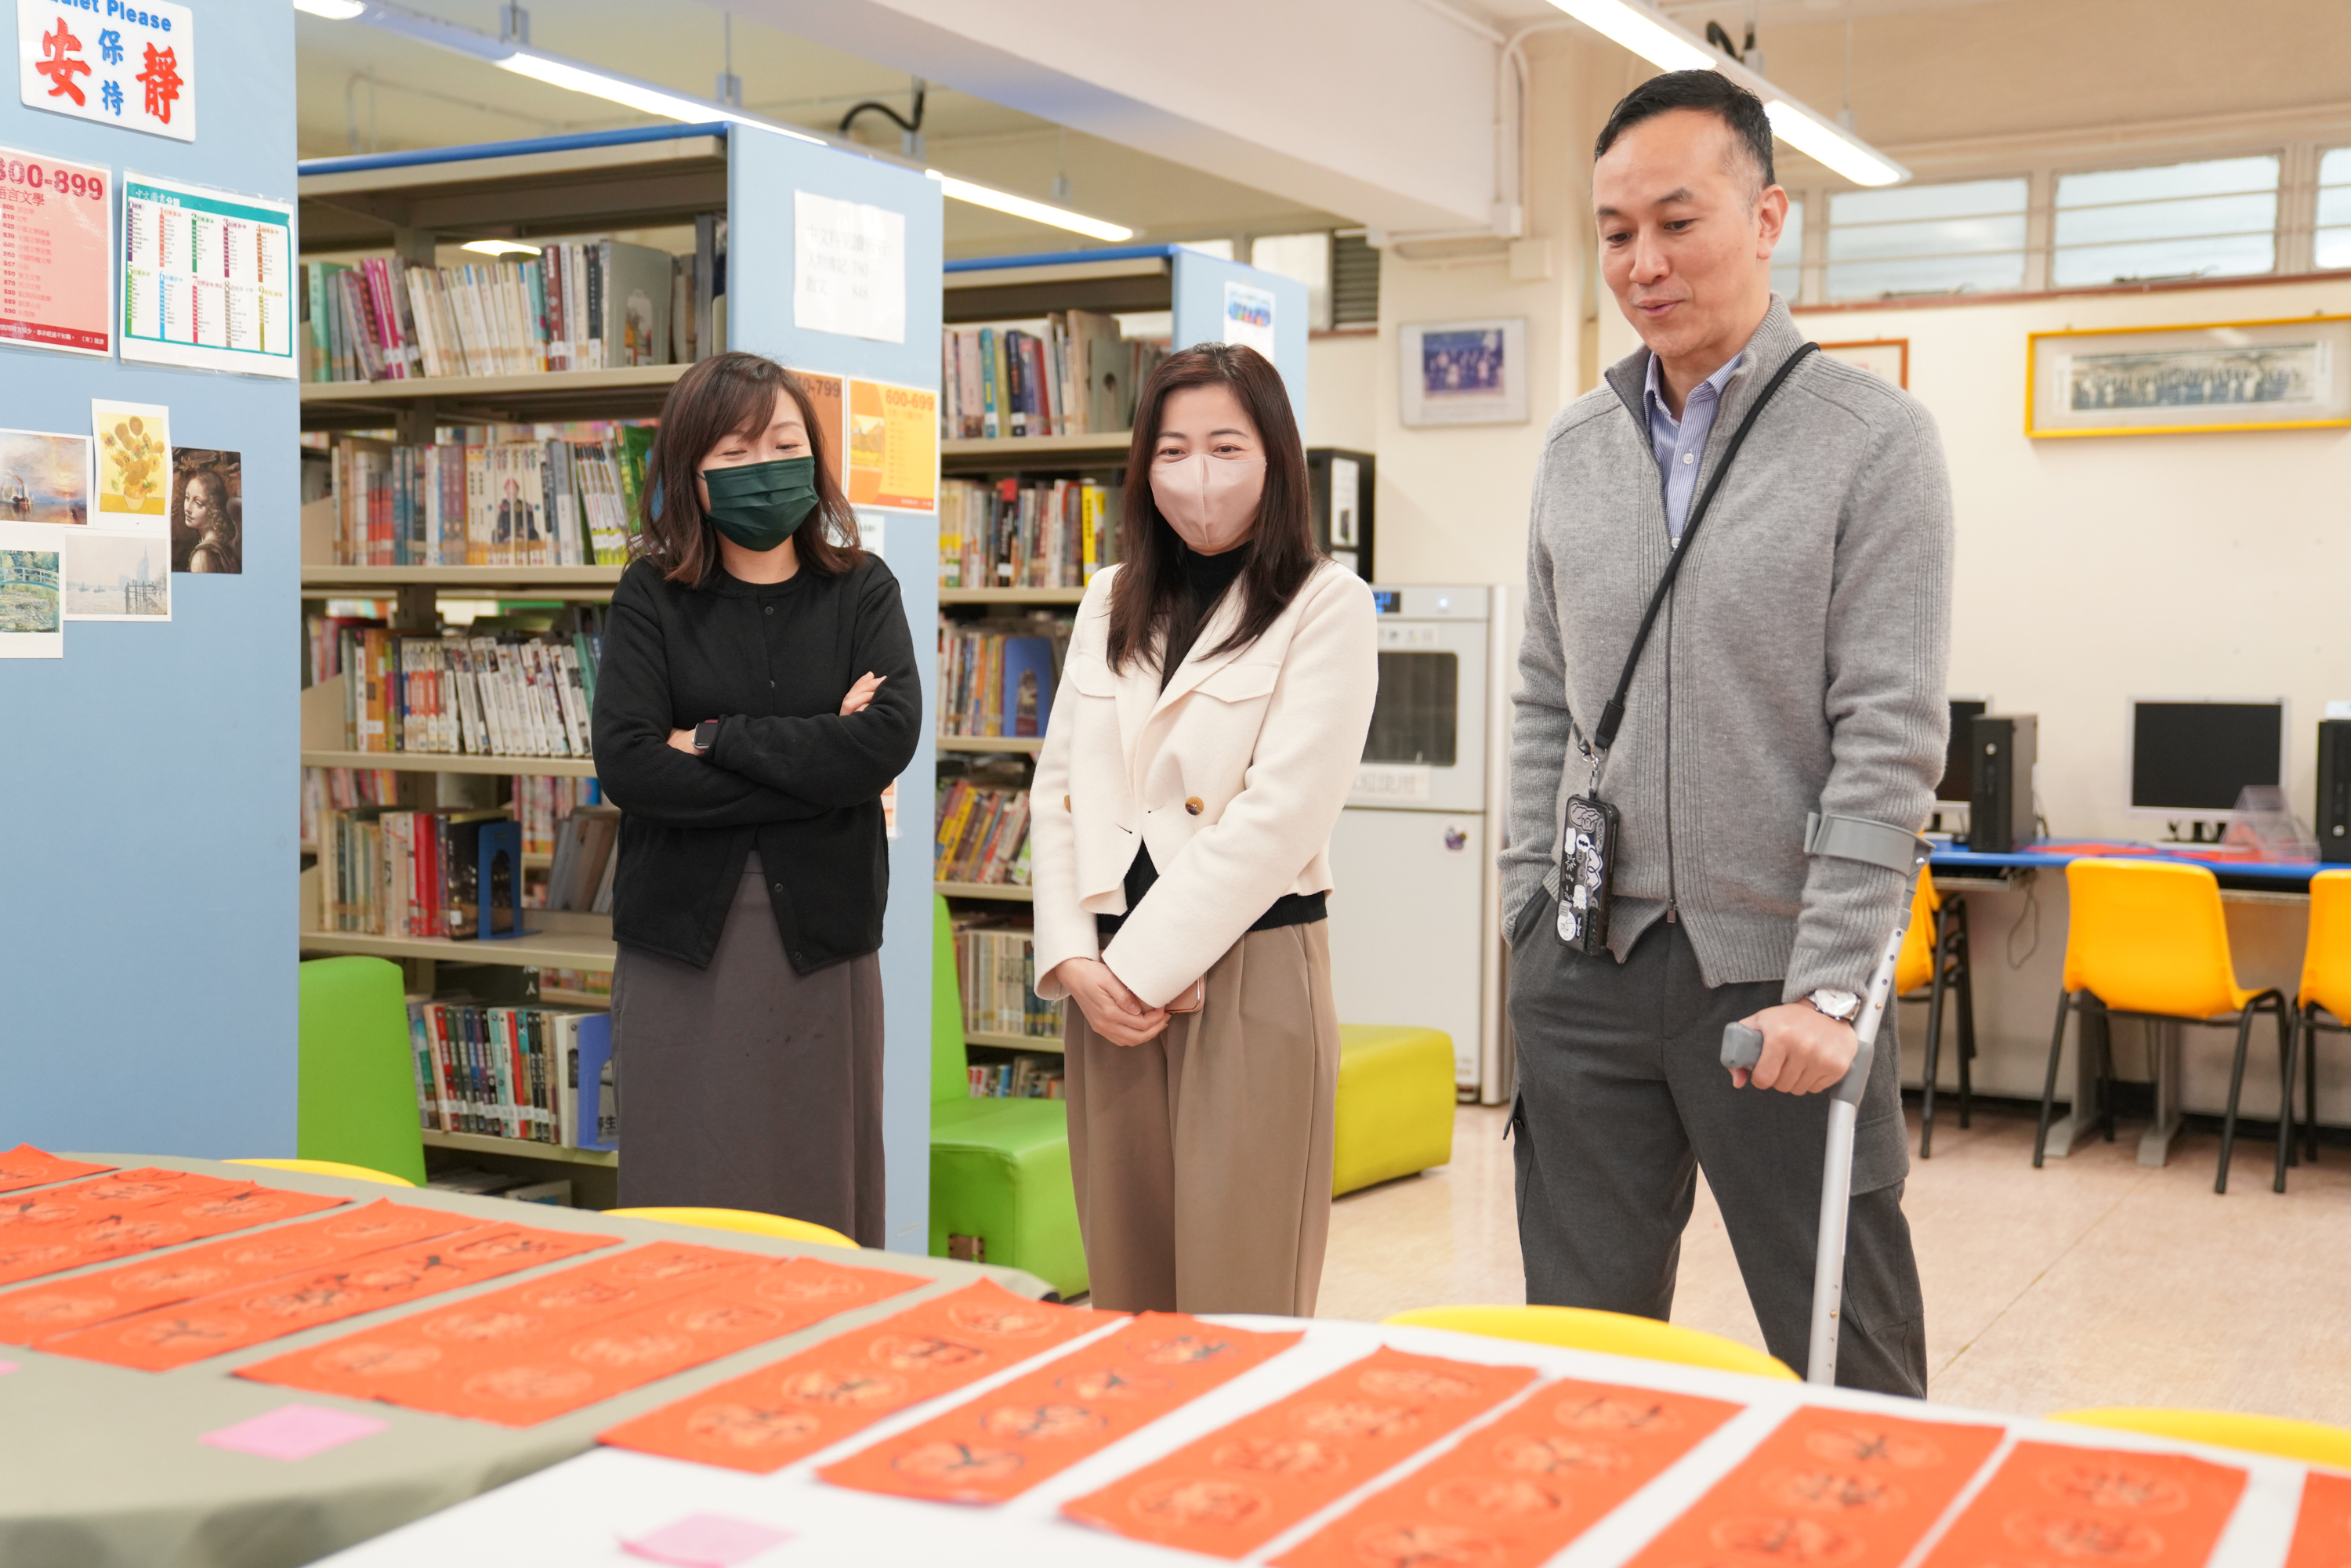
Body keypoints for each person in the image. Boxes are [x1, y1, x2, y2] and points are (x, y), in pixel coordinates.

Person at [1502, 70, 1954, 1394]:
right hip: (1587, 964)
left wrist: (1832, 985)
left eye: (1676, 221)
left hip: (1779, 989)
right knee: (1582, 1362)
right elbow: (1543, 695)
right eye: (1616, 232)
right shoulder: (1577, 446)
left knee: (1850, 1364)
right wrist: (1528, 911)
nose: (1642, 263)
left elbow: (1889, 734)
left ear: (1766, 218)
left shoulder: (1873, 441)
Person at [1031, 342, 1378, 1316]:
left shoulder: (1327, 602)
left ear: (1275, 458)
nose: (1198, 474)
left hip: (1247, 967)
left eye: (1226, 447)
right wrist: (1075, 961)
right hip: (1106, 985)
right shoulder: (1109, 596)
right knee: (1126, 1286)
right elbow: (1058, 789)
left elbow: (1283, 814)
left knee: (1241, 1292)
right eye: (1172, 450)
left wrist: (1140, 968)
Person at [592, 351, 919, 1244]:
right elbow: (629, 767)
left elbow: (883, 745)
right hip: (681, 944)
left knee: (822, 1186)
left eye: (782, 443)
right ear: (690, 474)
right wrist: (817, 762)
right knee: (684, 1195)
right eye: (733, 453)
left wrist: (712, 738)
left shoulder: (863, 588)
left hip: (823, 941)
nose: (764, 467)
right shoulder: (650, 594)